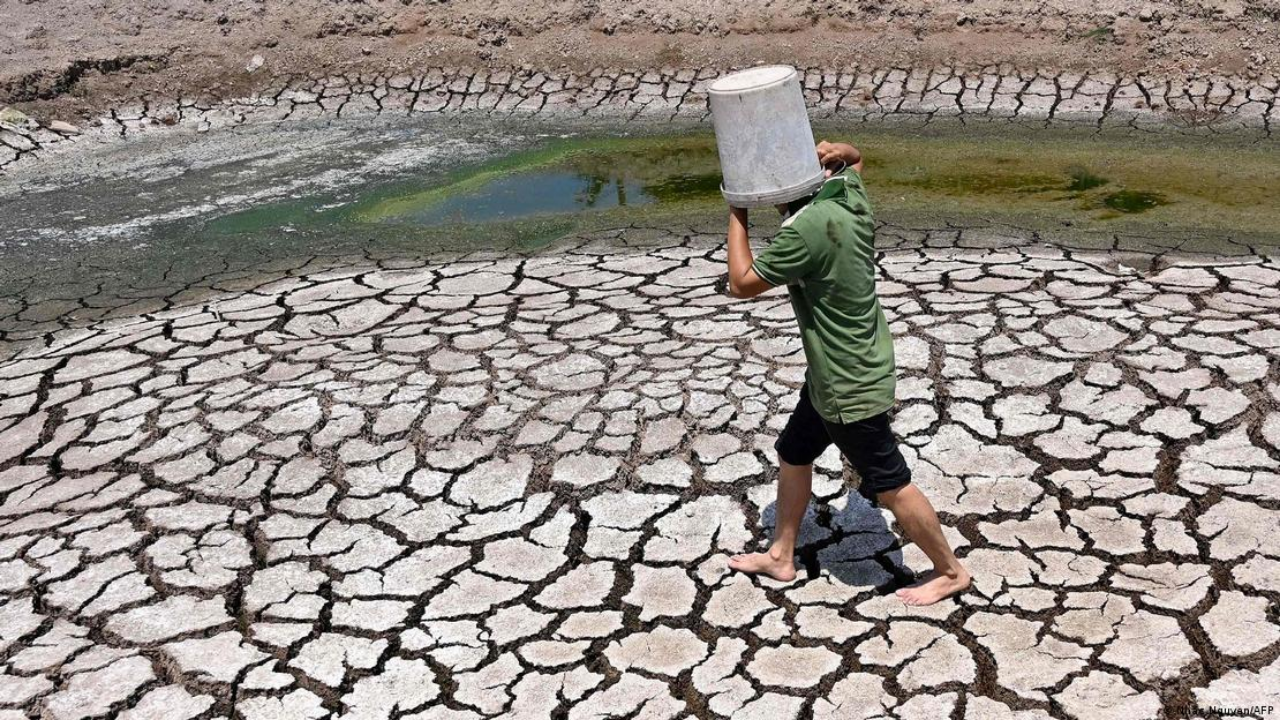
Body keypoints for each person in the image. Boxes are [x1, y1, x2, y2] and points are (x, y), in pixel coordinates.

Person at [723, 140, 970, 606]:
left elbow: (741, 283)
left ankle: (951, 571)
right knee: (794, 452)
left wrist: (737, 207)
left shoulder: (806, 232)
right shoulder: (847, 196)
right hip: (846, 368)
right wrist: (845, 150)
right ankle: (781, 554)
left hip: (845, 385)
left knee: (891, 484)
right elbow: (856, 161)